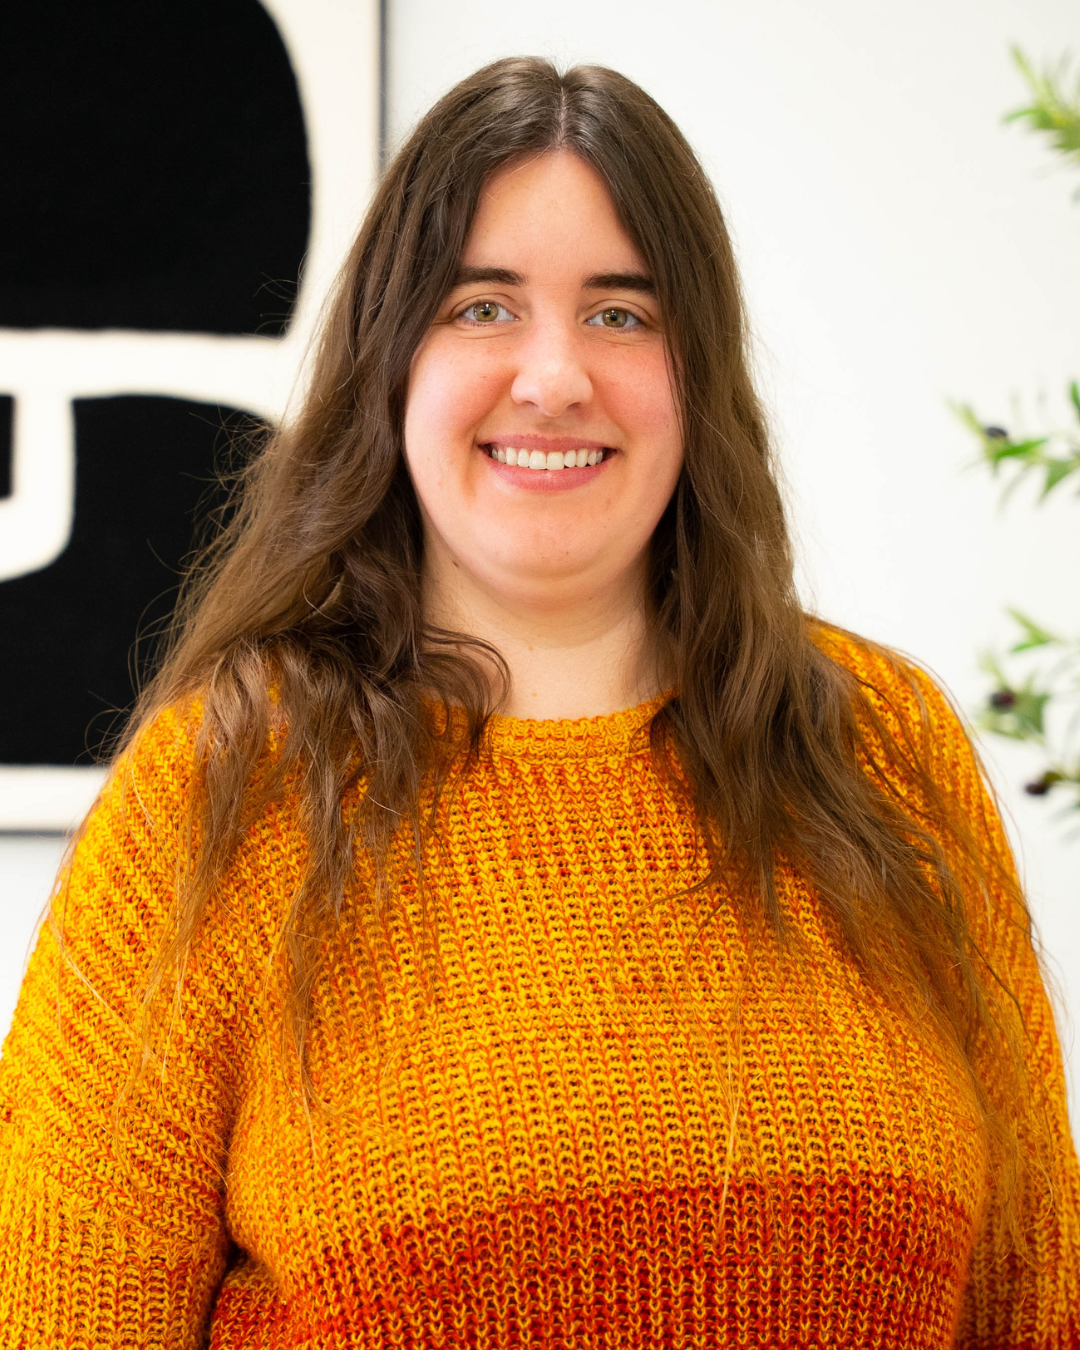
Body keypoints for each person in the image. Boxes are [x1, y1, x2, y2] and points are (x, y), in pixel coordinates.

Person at [0, 56, 1077, 1349]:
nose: (555, 375)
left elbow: (1037, 1303)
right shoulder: (220, 793)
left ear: (699, 372)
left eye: (621, 313)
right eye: (483, 307)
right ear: (391, 362)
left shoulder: (884, 748)